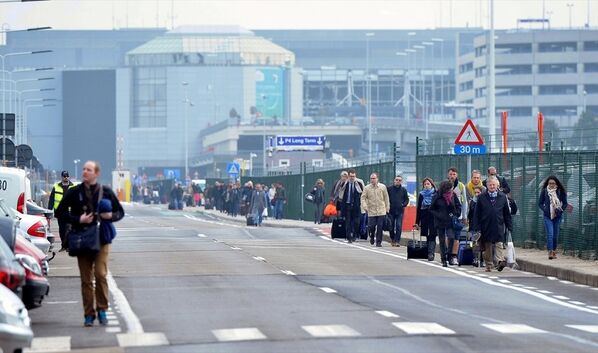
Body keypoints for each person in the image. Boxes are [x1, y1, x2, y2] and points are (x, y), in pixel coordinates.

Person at [56, 161, 124, 327]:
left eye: (89, 169)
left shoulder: (105, 191)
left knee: (100, 274)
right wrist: (78, 219)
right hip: (82, 238)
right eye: (84, 169)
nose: (85, 171)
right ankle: (88, 313)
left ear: (96, 173)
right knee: (86, 279)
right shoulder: (74, 192)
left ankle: (102, 309)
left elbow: (120, 211)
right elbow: (60, 212)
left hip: (101, 238)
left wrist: (110, 216)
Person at [473, 176, 512, 272]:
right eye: (490, 185)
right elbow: (477, 213)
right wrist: (476, 227)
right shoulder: (482, 197)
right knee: (488, 246)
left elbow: (506, 213)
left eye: (494, 184)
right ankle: (489, 265)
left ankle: (499, 262)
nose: (492, 186)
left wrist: (509, 225)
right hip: (485, 225)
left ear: (497, 185)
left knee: (499, 244)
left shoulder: (502, 196)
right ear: (487, 186)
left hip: (499, 224)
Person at [429, 180, 462, 267]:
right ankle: (443, 259)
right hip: (440, 221)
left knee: (451, 237)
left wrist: (456, 214)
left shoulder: (453, 195)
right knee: (442, 240)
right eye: (450, 188)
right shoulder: (437, 196)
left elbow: (458, 206)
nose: (451, 190)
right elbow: (431, 208)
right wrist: (439, 215)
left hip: (450, 220)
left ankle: (450, 256)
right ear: (445, 188)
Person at [538, 175, 568, 260]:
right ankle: (550, 251)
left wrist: (560, 210)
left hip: (557, 216)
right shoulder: (544, 191)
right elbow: (540, 203)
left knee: (555, 235)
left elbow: (565, 203)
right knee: (550, 234)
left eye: (553, 183)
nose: (551, 185)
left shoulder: (560, 191)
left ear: (556, 184)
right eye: (550, 183)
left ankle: (554, 250)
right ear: (548, 183)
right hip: (548, 216)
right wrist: (545, 209)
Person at [48, 170, 77, 252]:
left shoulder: (73, 187)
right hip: (60, 212)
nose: (66, 177)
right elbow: (52, 199)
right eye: (64, 176)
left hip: (70, 211)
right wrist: (49, 210)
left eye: (67, 176)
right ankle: (63, 246)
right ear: (61, 177)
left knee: (69, 228)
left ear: (69, 176)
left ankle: (68, 246)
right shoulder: (56, 186)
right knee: (62, 229)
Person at [361, 173, 390, 247]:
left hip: (381, 210)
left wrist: (387, 208)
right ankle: (371, 236)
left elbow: (386, 198)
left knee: (380, 227)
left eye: (374, 178)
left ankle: (378, 242)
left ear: (377, 179)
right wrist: (365, 206)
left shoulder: (382, 187)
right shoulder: (367, 188)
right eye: (371, 178)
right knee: (371, 226)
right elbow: (363, 198)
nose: (372, 180)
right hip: (371, 211)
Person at [447, 167, 468, 265]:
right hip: (447, 217)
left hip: (458, 216)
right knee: (448, 236)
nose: (452, 176)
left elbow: (464, 202)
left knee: (456, 237)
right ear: (448, 175)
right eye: (451, 174)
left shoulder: (461, 186)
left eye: (454, 174)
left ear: (457, 175)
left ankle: (454, 256)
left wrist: (464, 216)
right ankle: (448, 253)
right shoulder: (444, 185)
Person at [339, 169, 365, 243]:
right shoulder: (345, 183)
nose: (352, 178)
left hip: (356, 206)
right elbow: (340, 192)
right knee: (348, 222)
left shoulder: (359, 182)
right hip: (347, 205)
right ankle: (349, 237)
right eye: (350, 176)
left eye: (353, 176)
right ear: (348, 176)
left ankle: (354, 235)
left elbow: (363, 193)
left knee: (356, 222)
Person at [415, 178, 436, 261]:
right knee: (427, 235)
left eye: (428, 184)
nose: (427, 185)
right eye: (425, 184)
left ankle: (431, 253)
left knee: (432, 235)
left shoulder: (435, 194)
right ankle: (428, 252)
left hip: (433, 217)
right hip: (424, 217)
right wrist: (417, 222)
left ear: (431, 184)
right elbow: (419, 209)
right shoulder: (421, 194)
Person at [387, 175, 409, 247]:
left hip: (400, 211)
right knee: (391, 226)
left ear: (401, 181)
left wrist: (403, 204)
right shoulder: (389, 189)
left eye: (399, 180)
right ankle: (393, 239)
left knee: (399, 226)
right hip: (391, 211)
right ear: (394, 180)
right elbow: (386, 198)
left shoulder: (403, 190)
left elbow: (406, 199)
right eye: (396, 180)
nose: (398, 181)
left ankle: (397, 241)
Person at [467, 185, 484, 266]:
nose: (477, 194)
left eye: (478, 192)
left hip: (482, 226)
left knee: (482, 243)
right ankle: (475, 258)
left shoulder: (484, 202)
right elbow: (470, 214)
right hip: (473, 225)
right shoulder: (472, 202)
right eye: (475, 192)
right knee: (473, 242)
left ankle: (482, 259)